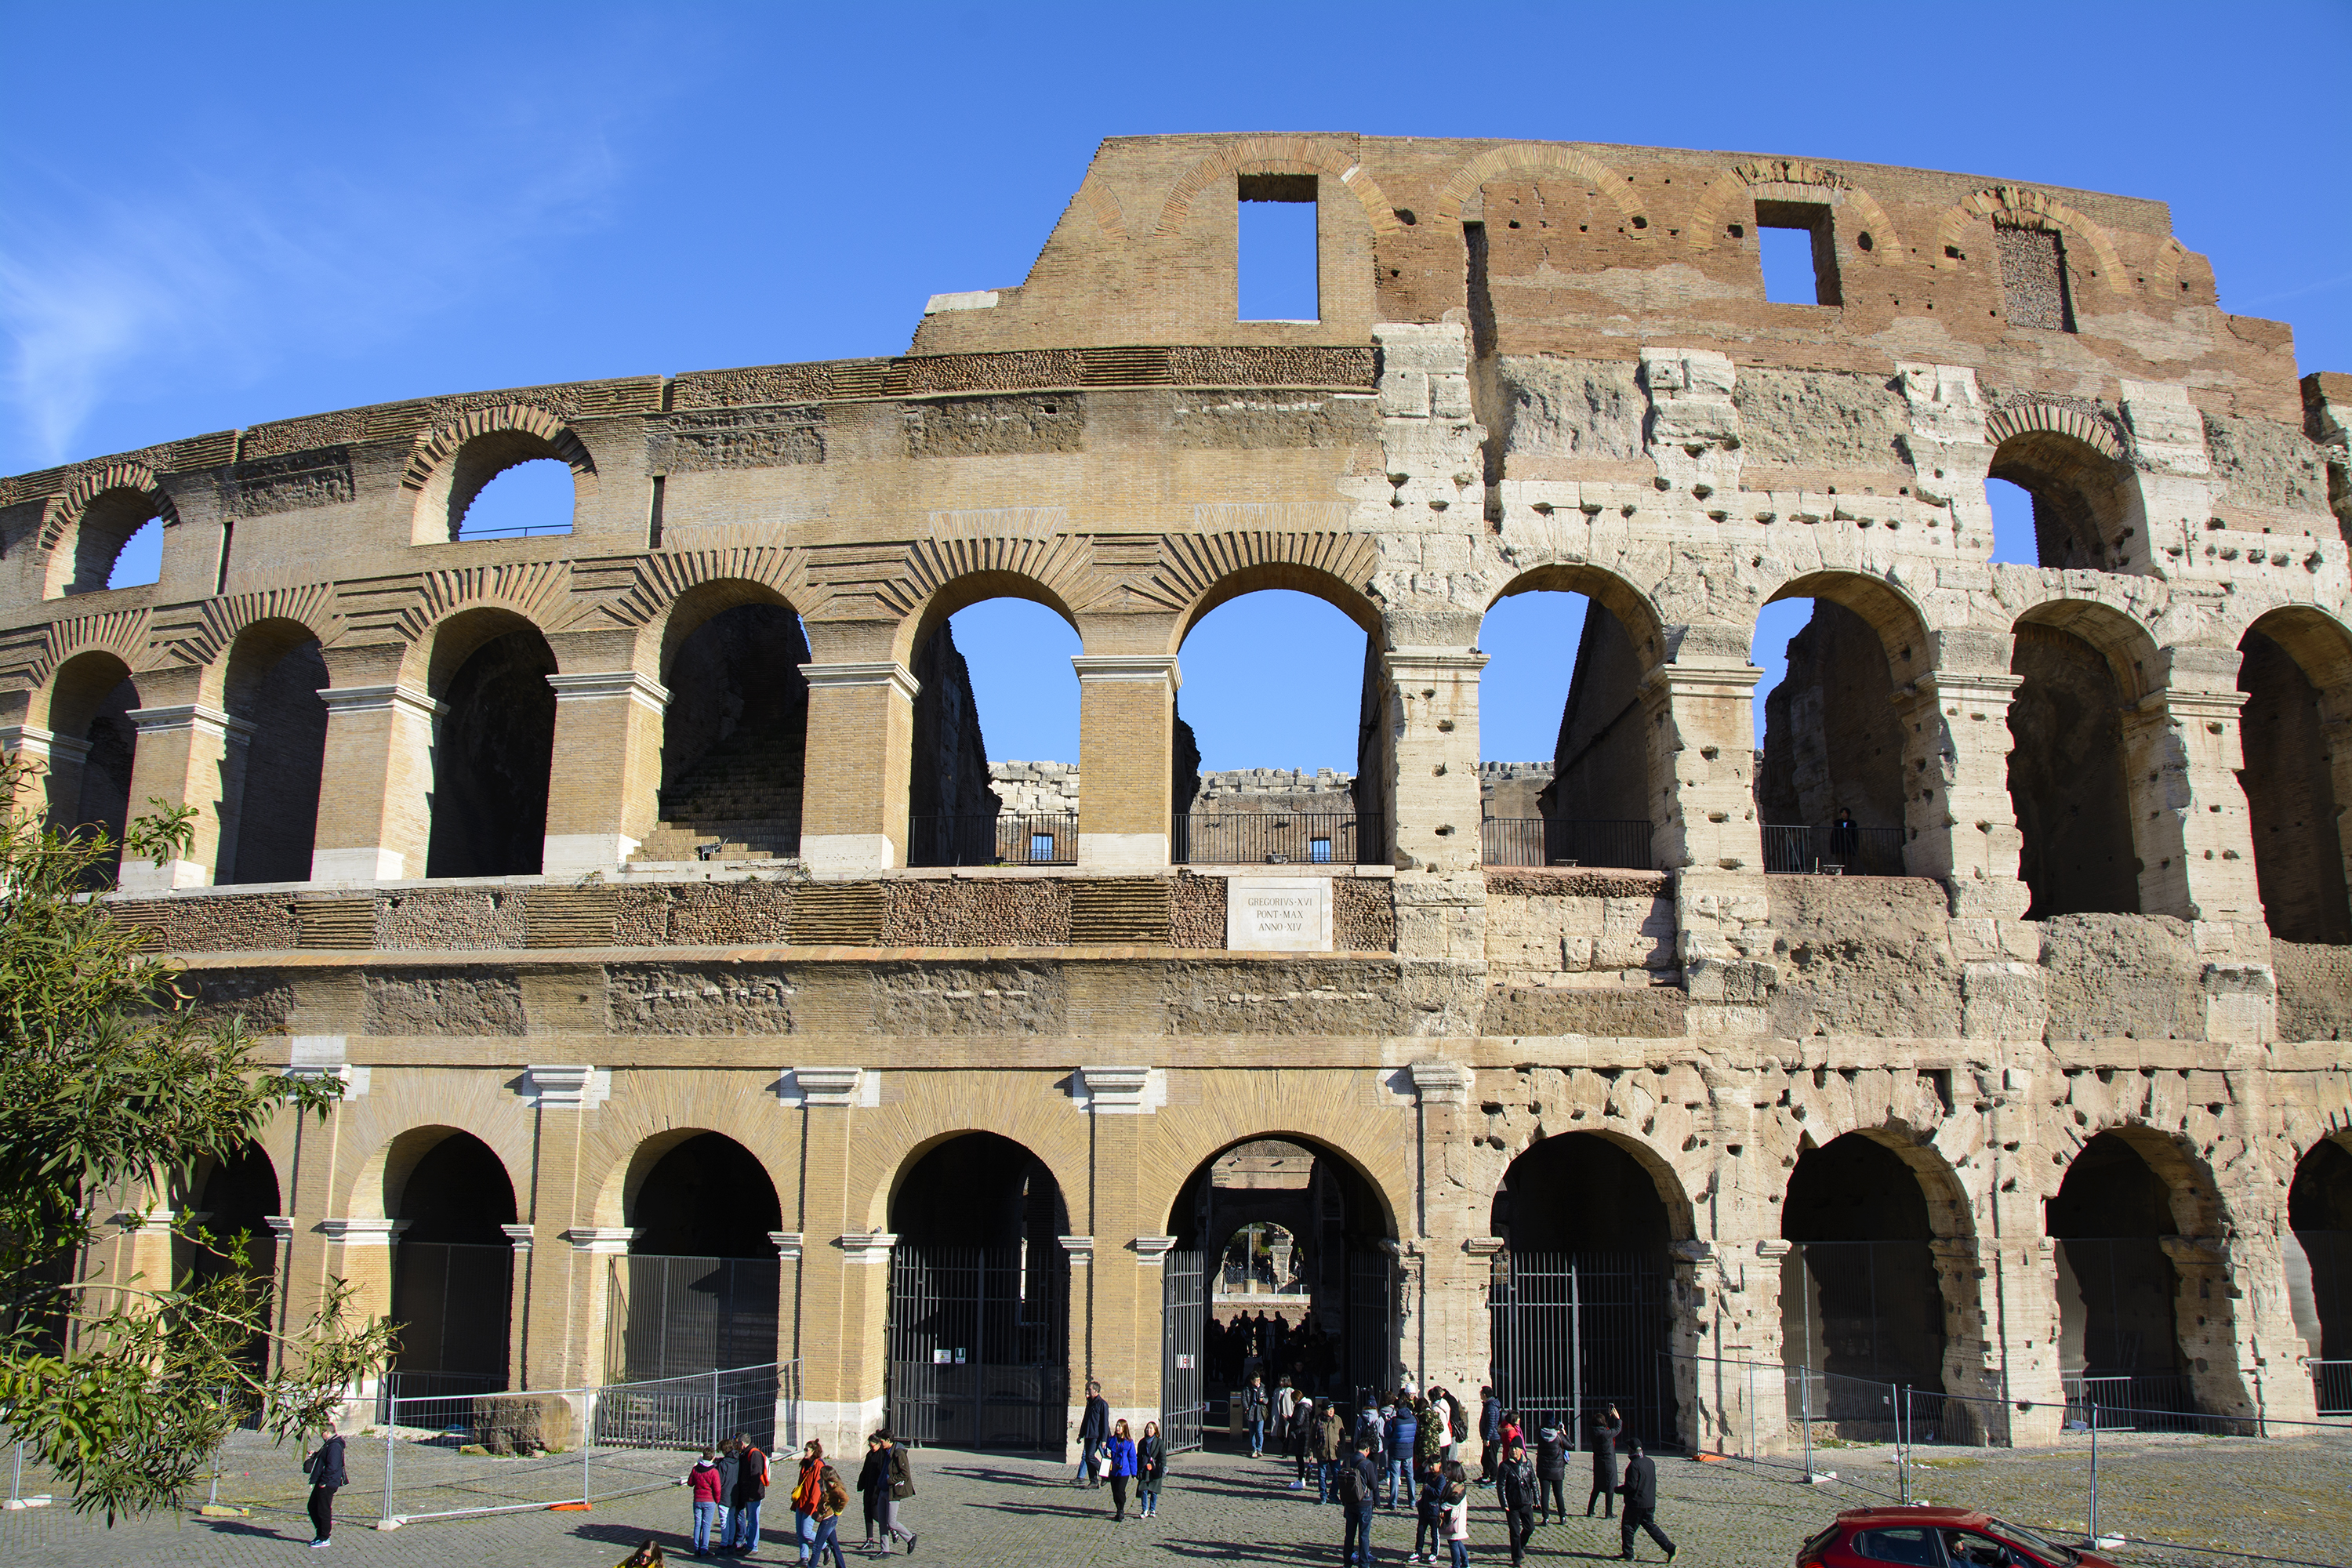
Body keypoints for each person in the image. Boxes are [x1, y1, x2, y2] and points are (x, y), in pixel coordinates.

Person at [1615, 1442, 1675, 1563]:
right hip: (1649, 1502)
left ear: (1631, 1450)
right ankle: (1670, 1548)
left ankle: (1628, 1554)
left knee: (1628, 1527)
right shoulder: (1650, 1462)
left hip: (1637, 1503)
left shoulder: (1634, 1466)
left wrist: (1617, 1490)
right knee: (1650, 1526)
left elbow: (1631, 1486)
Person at [301, 1421, 347, 1549]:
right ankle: (320, 1534)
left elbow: (332, 1466)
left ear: (327, 1432)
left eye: (322, 1432)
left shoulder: (334, 1446)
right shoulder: (330, 1444)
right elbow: (326, 1458)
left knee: (323, 1509)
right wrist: (315, 1455)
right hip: (324, 1481)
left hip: (328, 1482)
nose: (321, 1435)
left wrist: (323, 1482)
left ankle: (324, 1537)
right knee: (312, 1506)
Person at [1495, 1436, 1538, 1566]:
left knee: (1530, 1528)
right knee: (1514, 1531)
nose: (1513, 1451)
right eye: (1512, 1448)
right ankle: (1516, 1558)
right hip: (1512, 1504)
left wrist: (1537, 1499)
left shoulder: (1528, 1464)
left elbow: (1534, 1482)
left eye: (1516, 1448)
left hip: (1526, 1502)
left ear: (1521, 1450)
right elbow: (1501, 1486)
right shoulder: (1505, 1466)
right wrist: (1504, 1504)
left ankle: (1520, 1546)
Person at [790, 1440, 831, 1565]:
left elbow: (816, 1491)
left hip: (811, 1504)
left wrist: (812, 1507)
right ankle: (803, 1558)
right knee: (800, 1533)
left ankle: (825, 1547)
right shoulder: (805, 1463)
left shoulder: (818, 1465)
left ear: (814, 1451)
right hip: (801, 1502)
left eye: (807, 1450)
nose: (805, 1452)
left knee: (806, 1532)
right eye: (805, 1449)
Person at [730, 1432, 769, 1553]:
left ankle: (752, 1546)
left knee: (753, 1520)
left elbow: (755, 1476)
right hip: (749, 1493)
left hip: (754, 1494)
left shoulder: (754, 1454)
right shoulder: (747, 1453)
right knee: (750, 1519)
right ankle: (749, 1543)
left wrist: (752, 1495)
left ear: (742, 1443)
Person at [880, 1430, 917, 1554]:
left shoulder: (898, 1453)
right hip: (883, 1489)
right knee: (882, 1523)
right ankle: (885, 1551)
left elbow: (905, 1473)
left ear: (888, 1441)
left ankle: (910, 1537)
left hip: (894, 1491)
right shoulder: (886, 1452)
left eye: (882, 1442)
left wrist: (891, 1480)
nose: (881, 1444)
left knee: (892, 1522)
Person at [855, 1433, 890, 1552]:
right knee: (867, 1513)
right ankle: (869, 1539)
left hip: (877, 1488)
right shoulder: (870, 1455)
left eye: (872, 1446)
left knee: (876, 1513)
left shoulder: (883, 1456)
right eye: (869, 1446)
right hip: (868, 1488)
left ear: (879, 1444)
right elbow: (865, 1471)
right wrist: (861, 1484)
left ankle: (890, 1527)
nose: (871, 1448)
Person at [690, 1450, 728, 1557]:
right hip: (709, 1500)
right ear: (713, 1458)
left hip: (697, 1500)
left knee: (698, 1524)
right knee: (706, 1525)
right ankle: (704, 1549)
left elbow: (690, 1482)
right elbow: (717, 1488)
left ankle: (696, 1547)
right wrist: (717, 1500)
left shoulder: (695, 1469)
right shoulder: (713, 1471)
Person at [1410, 1454, 1447, 1564]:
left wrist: (1428, 1488)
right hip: (1425, 1509)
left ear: (1439, 1465)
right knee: (1420, 1531)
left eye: (1433, 1465)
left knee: (1434, 1534)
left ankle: (1434, 1553)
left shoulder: (1441, 1479)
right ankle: (1418, 1552)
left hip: (1434, 1511)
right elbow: (1416, 1477)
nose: (1431, 1468)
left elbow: (1438, 1493)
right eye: (1430, 1465)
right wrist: (1422, 1466)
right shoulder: (1428, 1476)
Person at [1586, 1405, 1622, 1519]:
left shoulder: (1593, 1430)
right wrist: (1618, 1418)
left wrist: (1608, 1415)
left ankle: (1590, 1510)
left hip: (1598, 1461)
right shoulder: (1605, 1434)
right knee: (1610, 1487)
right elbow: (1617, 1429)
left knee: (1597, 1486)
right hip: (1608, 1461)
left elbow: (1601, 1425)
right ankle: (1608, 1512)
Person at [1076, 1380, 1111, 1487]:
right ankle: (1094, 1481)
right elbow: (1085, 1420)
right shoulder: (1090, 1403)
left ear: (1096, 1390)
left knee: (1090, 1456)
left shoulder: (1102, 1404)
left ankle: (1106, 1474)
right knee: (1087, 1458)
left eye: (1090, 1389)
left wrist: (1104, 1439)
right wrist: (1081, 1435)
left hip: (1097, 1435)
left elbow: (1105, 1423)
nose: (1088, 1391)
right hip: (1088, 1434)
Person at [1534, 1423, 1570, 1524]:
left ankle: (1545, 1518)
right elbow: (1570, 1446)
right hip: (1557, 1470)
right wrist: (1564, 1434)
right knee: (1558, 1494)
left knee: (1545, 1494)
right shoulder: (1559, 1436)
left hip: (1544, 1468)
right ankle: (1562, 1517)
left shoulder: (1540, 1435)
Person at [1384, 1400, 1417, 1508]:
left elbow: (1387, 1434)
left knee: (1394, 1476)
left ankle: (1393, 1502)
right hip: (1408, 1451)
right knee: (1410, 1476)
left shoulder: (1394, 1421)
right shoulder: (1413, 1419)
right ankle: (1412, 1501)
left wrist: (1387, 1422)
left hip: (1395, 1451)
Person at [1105, 1417, 1139, 1522]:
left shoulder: (1128, 1442)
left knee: (1120, 1490)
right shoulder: (1111, 1440)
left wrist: (1134, 1473)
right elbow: (1106, 1451)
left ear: (1124, 1428)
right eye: (1117, 1426)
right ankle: (1118, 1509)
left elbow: (1132, 1458)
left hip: (1124, 1471)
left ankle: (1121, 1509)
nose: (1118, 1428)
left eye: (1120, 1426)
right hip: (1113, 1470)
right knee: (1115, 1491)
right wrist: (1107, 1452)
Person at [1311, 1397, 1344, 1503]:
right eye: (1328, 1409)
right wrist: (1310, 1451)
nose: (1331, 1411)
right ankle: (1323, 1494)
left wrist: (1342, 1447)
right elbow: (1311, 1437)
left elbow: (1343, 1435)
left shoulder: (1337, 1420)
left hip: (1335, 1452)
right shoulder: (1317, 1420)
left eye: (1332, 1409)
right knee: (1322, 1475)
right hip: (1322, 1452)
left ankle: (1333, 1494)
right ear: (1323, 1411)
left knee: (1337, 1474)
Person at [1441, 1461, 1472, 1568]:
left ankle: (1456, 1565)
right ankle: (1465, 1562)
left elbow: (1453, 1501)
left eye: (1449, 1469)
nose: (1446, 1471)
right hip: (1455, 1518)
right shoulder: (1454, 1484)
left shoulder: (1458, 1487)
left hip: (1455, 1519)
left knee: (1453, 1542)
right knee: (1456, 1541)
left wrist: (1441, 1506)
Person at [714, 1439, 743, 1552]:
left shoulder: (723, 1464)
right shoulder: (737, 1460)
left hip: (725, 1495)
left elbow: (719, 1481)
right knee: (731, 1519)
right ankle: (731, 1541)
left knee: (724, 1520)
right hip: (734, 1494)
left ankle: (724, 1543)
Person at [1136, 1418, 1167, 1519]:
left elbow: (1162, 1457)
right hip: (1144, 1469)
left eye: (1151, 1428)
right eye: (1147, 1428)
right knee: (1143, 1489)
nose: (1148, 1430)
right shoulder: (1142, 1442)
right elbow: (1139, 1457)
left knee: (1154, 1490)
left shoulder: (1159, 1443)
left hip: (1155, 1470)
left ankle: (1152, 1509)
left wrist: (1161, 1468)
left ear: (1155, 1431)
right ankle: (1144, 1509)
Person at [1288, 1394, 1316, 1490]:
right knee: (1301, 1459)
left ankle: (1301, 1480)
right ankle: (1301, 1479)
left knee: (1300, 1459)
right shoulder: (1308, 1407)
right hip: (1305, 1435)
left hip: (1301, 1436)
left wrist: (1288, 1419)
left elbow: (1298, 1423)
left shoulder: (1302, 1408)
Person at [1476, 1385, 1504, 1485]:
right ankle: (1485, 1476)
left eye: (1481, 1393)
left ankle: (1493, 1479)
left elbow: (1491, 1424)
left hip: (1492, 1438)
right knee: (1486, 1458)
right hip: (1488, 1437)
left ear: (1484, 1395)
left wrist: (1487, 1438)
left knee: (1492, 1458)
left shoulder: (1491, 1407)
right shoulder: (1488, 1405)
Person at [1242, 1374, 1269, 1459]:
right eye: (1256, 1381)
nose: (1257, 1382)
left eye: (1259, 1380)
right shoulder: (1247, 1389)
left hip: (1260, 1411)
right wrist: (1246, 1407)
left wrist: (1263, 1400)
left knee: (1259, 1431)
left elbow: (1267, 1399)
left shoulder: (1262, 1388)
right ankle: (1254, 1449)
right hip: (1251, 1411)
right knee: (1252, 1431)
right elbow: (1244, 1399)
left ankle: (1259, 1449)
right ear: (1251, 1381)